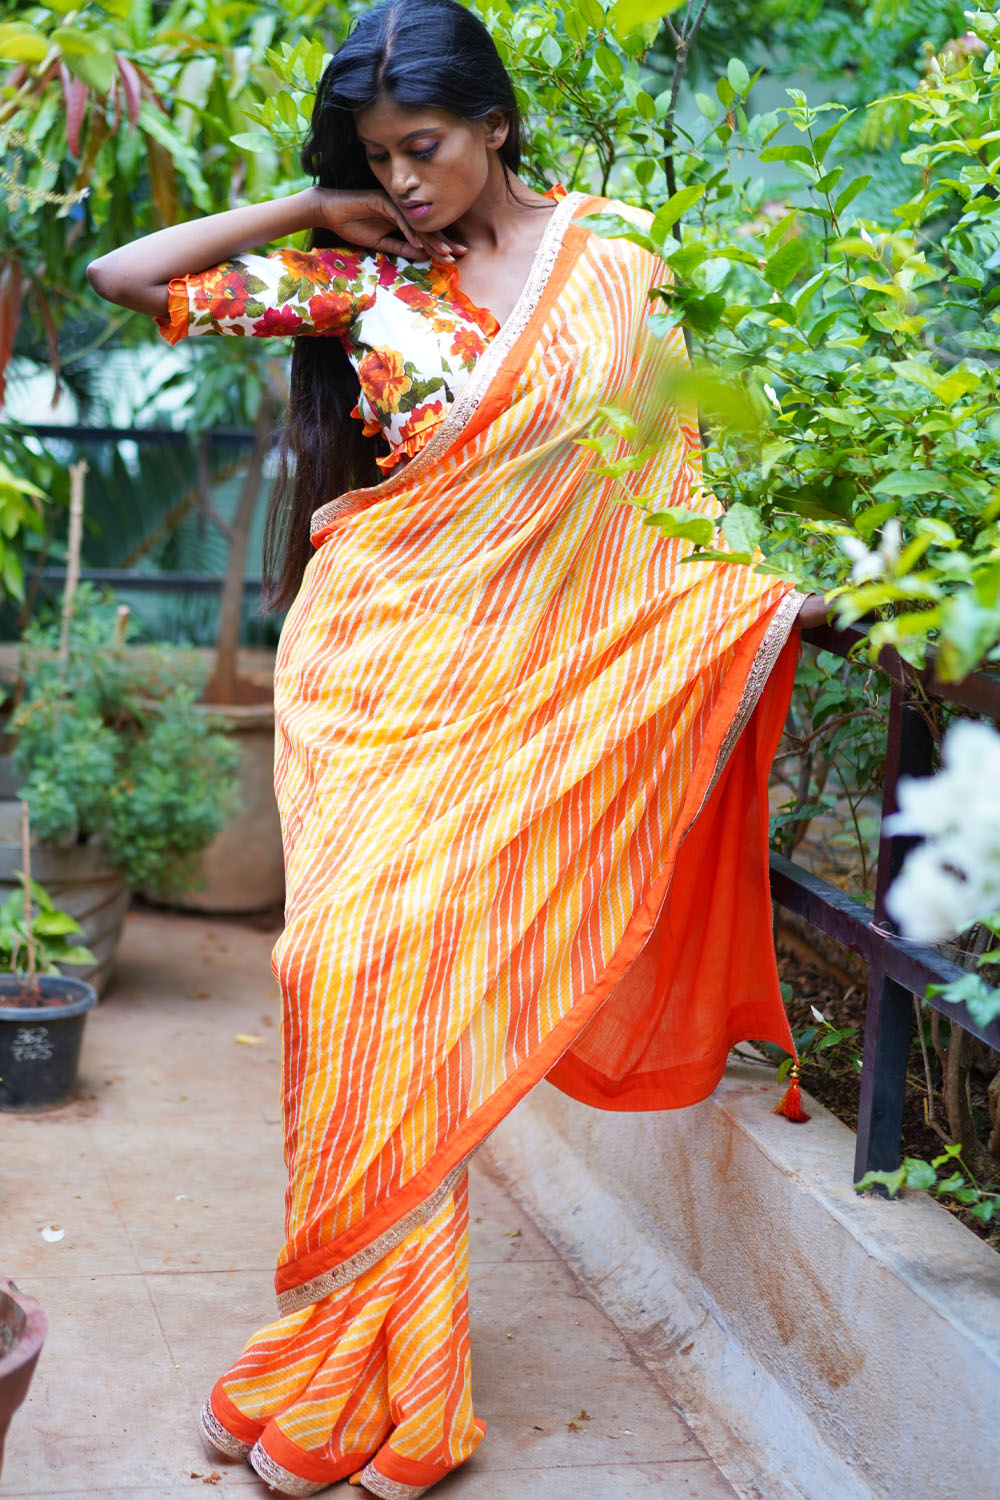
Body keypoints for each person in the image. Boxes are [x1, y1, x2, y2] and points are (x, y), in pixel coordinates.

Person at [88, 1, 827, 1494]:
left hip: (524, 694)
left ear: (496, 121)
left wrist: (756, 598)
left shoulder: (619, 259)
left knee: (407, 986)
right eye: (379, 154)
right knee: (332, 969)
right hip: (370, 676)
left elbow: (657, 491)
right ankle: (371, 1357)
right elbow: (124, 278)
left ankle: (380, 1377)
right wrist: (320, 202)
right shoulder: (362, 278)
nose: (408, 178)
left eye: (423, 145)